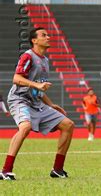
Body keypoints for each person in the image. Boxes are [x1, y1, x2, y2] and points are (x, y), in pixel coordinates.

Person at [1, 27, 75, 180]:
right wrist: (37, 86)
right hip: (19, 99)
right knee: (25, 127)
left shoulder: (45, 61)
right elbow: (16, 79)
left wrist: (51, 104)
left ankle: (57, 170)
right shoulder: (27, 56)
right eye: (44, 35)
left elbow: (39, 87)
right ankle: (5, 171)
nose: (48, 37)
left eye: (48, 35)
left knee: (68, 125)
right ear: (34, 40)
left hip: (36, 102)